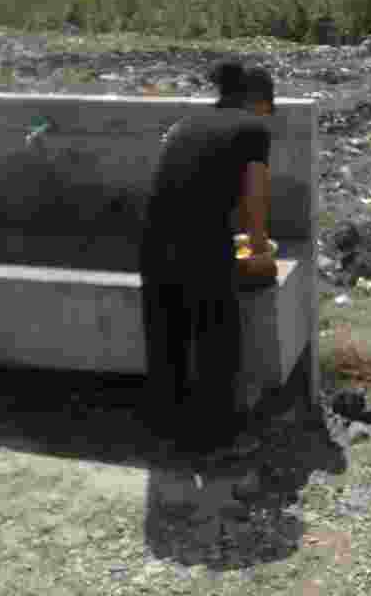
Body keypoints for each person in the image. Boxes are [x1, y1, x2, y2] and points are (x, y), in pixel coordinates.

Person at [139, 60, 278, 458]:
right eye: (268, 108)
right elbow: (255, 197)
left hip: (152, 238)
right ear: (257, 100)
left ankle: (168, 436)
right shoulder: (253, 130)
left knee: (168, 336)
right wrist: (259, 247)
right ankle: (219, 441)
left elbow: (174, 181)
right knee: (217, 338)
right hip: (199, 241)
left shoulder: (187, 123)